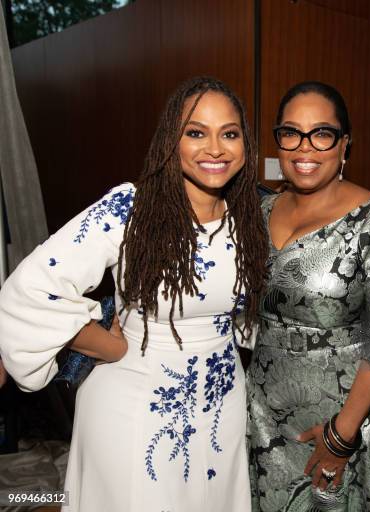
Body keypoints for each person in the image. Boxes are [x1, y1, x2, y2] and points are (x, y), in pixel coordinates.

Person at [0, 76, 267, 511]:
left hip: (222, 408)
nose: (215, 148)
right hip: (134, 403)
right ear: (170, 141)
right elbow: (29, 290)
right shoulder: (130, 209)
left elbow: (249, 318)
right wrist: (105, 345)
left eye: (229, 133)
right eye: (196, 132)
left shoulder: (249, 217)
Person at [246, 81, 370, 512]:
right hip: (260, 410)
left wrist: (342, 436)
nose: (305, 147)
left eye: (322, 133)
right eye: (291, 133)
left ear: (344, 145)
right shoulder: (259, 212)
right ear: (278, 141)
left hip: (337, 416)